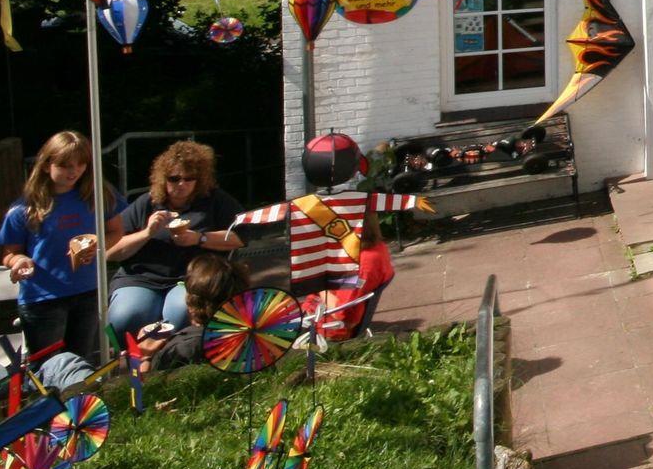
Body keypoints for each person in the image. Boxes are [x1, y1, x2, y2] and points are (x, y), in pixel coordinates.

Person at [234, 132, 428, 336]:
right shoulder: (368, 249)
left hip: (325, 328)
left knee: (251, 324)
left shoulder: (361, 263)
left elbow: (341, 313)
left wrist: (317, 284)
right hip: (315, 313)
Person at [0, 131, 115, 370]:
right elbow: (9, 253)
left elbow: (115, 231)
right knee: (47, 370)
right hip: (43, 298)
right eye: (65, 165)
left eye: (81, 164)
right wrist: (19, 261)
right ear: (46, 164)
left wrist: (97, 248)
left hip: (88, 292)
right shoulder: (24, 208)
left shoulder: (96, 196)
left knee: (81, 366)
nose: (74, 171)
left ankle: (80, 396)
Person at [105, 139, 242, 338]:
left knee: (180, 313)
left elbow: (239, 237)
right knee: (125, 317)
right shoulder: (148, 203)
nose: (182, 184)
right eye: (174, 178)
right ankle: (132, 354)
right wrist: (147, 233)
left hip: (190, 279)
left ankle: (176, 353)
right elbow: (110, 251)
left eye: (189, 178)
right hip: (141, 278)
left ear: (200, 179)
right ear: (163, 179)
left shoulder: (214, 200)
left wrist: (199, 238)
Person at [132, 254, 251, 373]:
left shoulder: (183, 349)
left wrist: (145, 357)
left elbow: (145, 383)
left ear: (191, 304)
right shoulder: (254, 336)